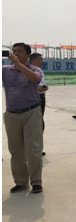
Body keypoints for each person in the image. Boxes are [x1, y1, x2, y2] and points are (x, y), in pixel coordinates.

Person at [3, 43, 45, 194]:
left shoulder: (35, 69)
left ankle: (36, 182)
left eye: (20, 51)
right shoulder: (5, 70)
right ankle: (21, 182)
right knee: (16, 150)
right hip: (12, 113)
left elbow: (36, 79)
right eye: (14, 51)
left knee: (33, 149)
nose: (16, 53)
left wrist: (19, 65)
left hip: (31, 112)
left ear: (28, 55)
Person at [30, 53, 49, 134]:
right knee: (35, 119)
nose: (42, 61)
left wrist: (44, 87)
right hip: (34, 97)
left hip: (41, 97)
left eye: (42, 59)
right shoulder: (29, 71)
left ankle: (39, 136)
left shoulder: (39, 70)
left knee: (40, 118)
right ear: (33, 61)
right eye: (39, 59)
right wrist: (38, 89)